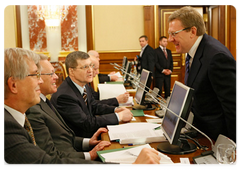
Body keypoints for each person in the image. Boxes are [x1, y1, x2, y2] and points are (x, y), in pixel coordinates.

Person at [2, 48, 161, 165]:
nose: (40, 81)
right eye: (35, 75)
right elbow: (48, 163)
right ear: (14, 85)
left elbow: (61, 140)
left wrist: (87, 143)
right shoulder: (6, 126)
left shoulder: (23, 112)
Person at [168, 6, 237, 143]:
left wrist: (232, 151)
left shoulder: (216, 57)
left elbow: (234, 107)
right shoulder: (194, 51)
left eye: (174, 34)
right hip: (201, 133)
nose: (170, 39)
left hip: (216, 139)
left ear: (192, 31)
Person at [26, 54, 111, 161]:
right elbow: (51, 155)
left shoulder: (44, 101)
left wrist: (88, 142)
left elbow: (62, 137)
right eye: (51, 73)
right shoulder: (33, 109)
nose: (56, 77)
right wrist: (89, 155)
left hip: (74, 153)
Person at [50, 51, 133, 138]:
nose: (90, 70)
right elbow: (87, 123)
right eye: (85, 67)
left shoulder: (83, 83)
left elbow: (93, 105)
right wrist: (119, 116)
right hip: (81, 142)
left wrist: (115, 110)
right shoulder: (65, 96)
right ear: (72, 71)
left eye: (91, 65)